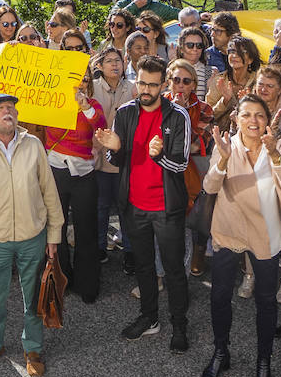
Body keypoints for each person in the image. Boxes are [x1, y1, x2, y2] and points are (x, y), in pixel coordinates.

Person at [201, 95, 281, 377]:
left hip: (266, 233)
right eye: (247, 115)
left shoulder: (278, 145)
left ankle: (264, 361)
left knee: (266, 301)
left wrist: (273, 154)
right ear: (236, 118)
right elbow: (210, 187)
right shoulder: (226, 145)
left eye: (259, 115)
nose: (253, 121)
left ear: (268, 118)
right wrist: (220, 160)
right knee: (219, 296)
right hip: (229, 229)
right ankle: (221, 352)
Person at [0, 93, 64, 377]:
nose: (8, 112)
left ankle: (32, 349)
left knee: (34, 298)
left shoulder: (34, 145)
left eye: (11, 108)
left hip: (33, 236)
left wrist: (53, 235)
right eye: (0, 108)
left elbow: (49, 192)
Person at [95, 55, 193, 352]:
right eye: (142, 83)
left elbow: (181, 164)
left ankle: (179, 324)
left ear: (164, 85)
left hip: (166, 208)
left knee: (174, 270)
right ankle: (150, 318)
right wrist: (115, 149)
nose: (146, 89)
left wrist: (158, 156)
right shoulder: (124, 113)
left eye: (153, 84)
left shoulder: (178, 116)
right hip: (134, 206)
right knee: (144, 265)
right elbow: (117, 159)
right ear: (135, 81)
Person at [43, 70, 108, 302]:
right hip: (56, 171)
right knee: (55, 228)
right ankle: (59, 279)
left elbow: (101, 126)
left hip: (84, 174)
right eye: (76, 79)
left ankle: (87, 284)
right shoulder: (52, 102)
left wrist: (84, 107)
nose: (81, 84)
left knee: (86, 229)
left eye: (85, 80)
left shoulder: (93, 105)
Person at [166, 58, 213, 276]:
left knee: (198, 212)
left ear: (194, 84)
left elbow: (193, 144)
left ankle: (198, 251)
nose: (181, 85)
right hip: (166, 170)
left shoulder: (204, 108)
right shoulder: (158, 104)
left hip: (195, 168)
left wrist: (180, 114)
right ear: (169, 81)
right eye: (176, 80)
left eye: (186, 81)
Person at [91, 47, 136, 269]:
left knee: (125, 206)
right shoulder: (93, 89)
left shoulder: (133, 88)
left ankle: (129, 250)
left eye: (117, 60)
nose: (114, 65)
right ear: (99, 65)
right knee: (101, 206)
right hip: (99, 157)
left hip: (125, 158)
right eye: (108, 61)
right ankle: (99, 247)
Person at [207, 36, 263, 131]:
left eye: (242, 52)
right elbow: (208, 115)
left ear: (250, 59)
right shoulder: (219, 80)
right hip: (221, 135)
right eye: (232, 51)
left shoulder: (258, 82)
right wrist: (225, 101)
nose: (234, 55)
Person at [175, 27, 212, 100]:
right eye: (190, 45)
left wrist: (210, 89)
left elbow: (211, 103)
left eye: (199, 46)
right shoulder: (172, 70)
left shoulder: (210, 71)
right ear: (181, 48)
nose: (195, 49)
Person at [204, 12, 239, 79]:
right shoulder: (207, 56)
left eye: (218, 31)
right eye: (212, 30)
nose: (212, 34)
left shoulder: (244, 54)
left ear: (231, 34)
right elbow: (205, 84)